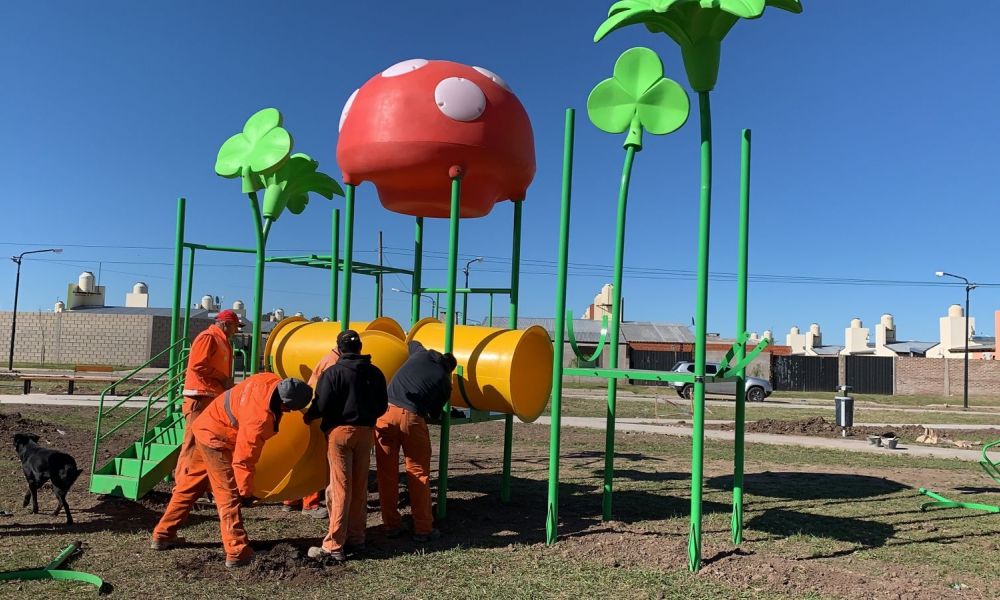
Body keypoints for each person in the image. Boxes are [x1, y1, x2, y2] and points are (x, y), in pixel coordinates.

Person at [151, 374, 313, 567]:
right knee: (228, 496)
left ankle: (162, 535)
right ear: (285, 404)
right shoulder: (259, 420)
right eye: (288, 409)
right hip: (217, 440)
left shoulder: (269, 379)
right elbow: (243, 461)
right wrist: (245, 493)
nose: (287, 413)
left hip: (205, 426)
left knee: (189, 487)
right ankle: (237, 551)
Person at [306, 330, 388, 561]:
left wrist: (308, 416)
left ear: (339, 349)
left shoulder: (333, 373)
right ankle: (357, 537)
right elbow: (382, 406)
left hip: (339, 434)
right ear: (360, 348)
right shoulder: (375, 373)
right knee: (360, 485)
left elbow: (320, 404)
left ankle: (334, 544)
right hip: (366, 433)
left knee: (340, 487)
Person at [375, 341, 456, 543]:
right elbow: (435, 413)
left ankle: (391, 525)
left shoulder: (420, 354)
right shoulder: (445, 383)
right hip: (411, 418)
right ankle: (423, 528)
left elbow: (412, 342)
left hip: (384, 413)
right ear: (449, 370)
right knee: (418, 473)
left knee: (386, 473)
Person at [282, 346, 341, 518]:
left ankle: (290, 500)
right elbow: (328, 394)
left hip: (310, 409)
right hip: (318, 414)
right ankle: (310, 504)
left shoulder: (328, 359)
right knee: (315, 458)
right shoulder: (334, 363)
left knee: (302, 456)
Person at [179, 310, 240, 472]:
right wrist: (222, 378)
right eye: (235, 326)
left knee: (205, 442)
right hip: (200, 395)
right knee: (192, 442)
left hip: (210, 395)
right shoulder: (209, 337)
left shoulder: (221, 339)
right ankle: (182, 487)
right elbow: (198, 365)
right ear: (226, 324)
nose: (236, 331)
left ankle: (196, 484)